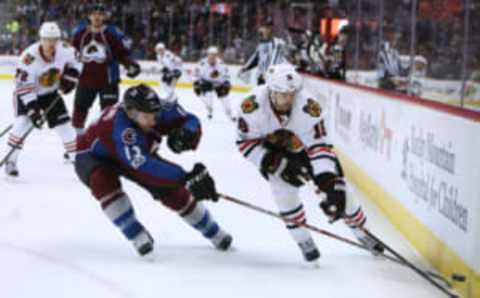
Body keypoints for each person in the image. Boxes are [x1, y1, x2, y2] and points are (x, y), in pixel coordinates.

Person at [235, 64, 383, 263]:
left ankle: (363, 232)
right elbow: (245, 143)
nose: (289, 99)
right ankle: (303, 240)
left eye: (292, 94)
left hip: (305, 151)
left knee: (341, 192)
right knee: (284, 194)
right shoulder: (251, 108)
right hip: (274, 155)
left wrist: (326, 179)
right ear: (270, 91)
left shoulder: (309, 108)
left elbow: (319, 145)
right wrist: (275, 164)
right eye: (283, 94)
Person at [74, 84, 232, 258]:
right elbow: (142, 166)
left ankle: (213, 231)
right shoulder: (123, 130)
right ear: (131, 114)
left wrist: (188, 132)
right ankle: (136, 234)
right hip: (92, 155)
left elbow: (190, 119)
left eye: (155, 115)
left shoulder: (157, 109)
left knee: (171, 191)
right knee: (103, 183)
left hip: (135, 154)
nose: (153, 121)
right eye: (145, 117)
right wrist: (184, 177)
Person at [4, 22, 82, 177]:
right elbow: (23, 86)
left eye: (54, 39)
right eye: (47, 39)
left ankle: (80, 162)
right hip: (27, 94)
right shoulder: (28, 58)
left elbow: (78, 61)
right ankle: (11, 161)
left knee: (66, 128)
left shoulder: (65, 50)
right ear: (41, 39)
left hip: (51, 93)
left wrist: (72, 76)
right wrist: (33, 109)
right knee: (22, 125)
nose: (51, 44)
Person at [71, 2, 141, 135]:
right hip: (85, 80)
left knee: (109, 114)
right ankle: (78, 141)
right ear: (89, 16)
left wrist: (130, 64)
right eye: (94, 14)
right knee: (79, 111)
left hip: (108, 81)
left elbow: (123, 53)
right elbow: (71, 54)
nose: (97, 17)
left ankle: (105, 143)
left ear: (104, 17)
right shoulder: (80, 33)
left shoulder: (112, 32)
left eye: (100, 14)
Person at [238, 18, 289, 86]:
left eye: (265, 27)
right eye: (263, 27)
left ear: (269, 29)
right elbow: (255, 59)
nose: (261, 29)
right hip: (261, 78)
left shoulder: (277, 43)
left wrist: (269, 73)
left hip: (273, 78)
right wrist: (245, 68)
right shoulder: (261, 44)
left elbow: (275, 61)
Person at [193, 46, 234, 121]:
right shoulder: (201, 64)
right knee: (208, 101)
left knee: (225, 101)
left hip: (219, 84)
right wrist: (196, 84)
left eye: (214, 55)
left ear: (217, 55)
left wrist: (227, 83)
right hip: (206, 83)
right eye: (211, 54)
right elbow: (196, 75)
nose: (212, 57)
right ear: (208, 55)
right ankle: (209, 112)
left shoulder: (221, 64)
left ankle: (230, 116)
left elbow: (227, 76)